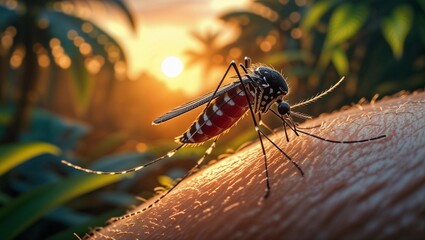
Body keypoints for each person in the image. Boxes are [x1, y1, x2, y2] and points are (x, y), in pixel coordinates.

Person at [91, 91, 425, 239]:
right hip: (223, 106)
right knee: (254, 116)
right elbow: (261, 119)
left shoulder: (270, 94)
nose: (284, 112)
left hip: (238, 99)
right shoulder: (263, 92)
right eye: (285, 108)